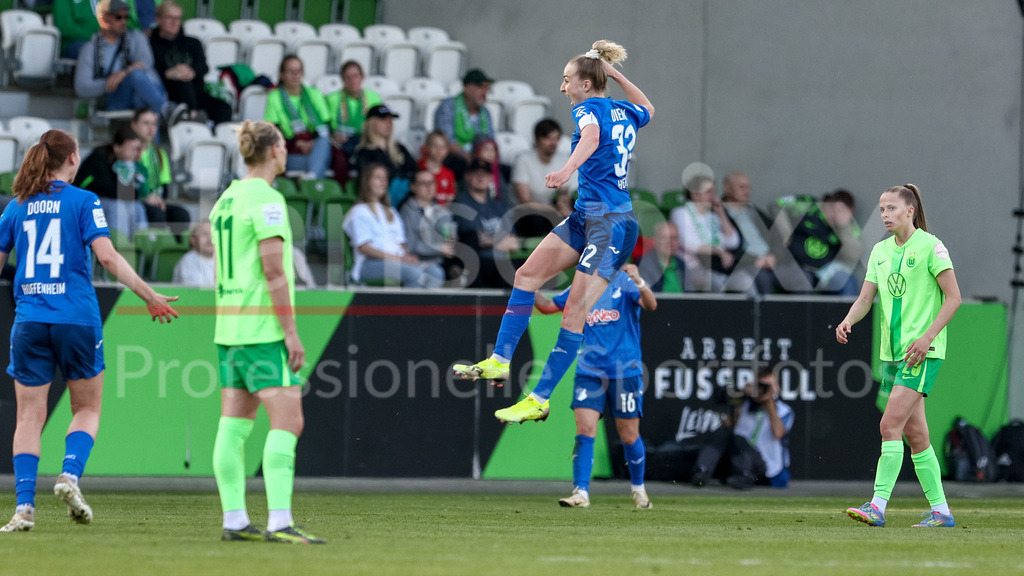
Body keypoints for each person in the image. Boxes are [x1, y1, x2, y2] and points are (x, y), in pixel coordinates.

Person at [452, 40, 653, 424]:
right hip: (586, 217)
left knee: (574, 312)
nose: (563, 88)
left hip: (609, 226)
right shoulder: (621, 108)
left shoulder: (587, 108)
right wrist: (615, 74)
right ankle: (499, 361)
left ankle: (539, 398)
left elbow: (591, 138)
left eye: (567, 80)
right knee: (526, 275)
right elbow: (649, 109)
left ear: (586, 85)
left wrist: (565, 171)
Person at [0, 129, 178, 533]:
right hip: (76, 319)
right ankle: (69, 475)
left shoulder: (16, 207)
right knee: (87, 409)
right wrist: (148, 294)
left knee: (29, 415)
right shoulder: (84, 201)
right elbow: (108, 257)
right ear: (72, 160)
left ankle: (24, 509)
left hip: (29, 320)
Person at [209, 120, 325, 544]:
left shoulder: (226, 199)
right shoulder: (268, 200)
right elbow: (274, 269)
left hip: (229, 327)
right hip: (261, 328)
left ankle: (235, 519)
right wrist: (290, 332)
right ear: (275, 149)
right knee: (288, 421)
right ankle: (279, 521)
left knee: (234, 424)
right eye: (284, 145)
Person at [837, 183, 961, 529]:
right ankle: (941, 511)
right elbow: (865, 299)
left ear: (910, 210)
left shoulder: (931, 247)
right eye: (881, 210)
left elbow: (954, 298)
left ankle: (877, 506)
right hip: (891, 356)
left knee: (888, 424)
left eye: (891, 208)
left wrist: (927, 337)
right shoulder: (879, 251)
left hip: (921, 353)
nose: (885, 215)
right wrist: (848, 320)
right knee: (916, 436)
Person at [533, 265, 656, 509]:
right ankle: (581, 492)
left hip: (624, 370)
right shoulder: (581, 283)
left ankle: (639, 489)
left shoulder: (625, 280)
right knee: (585, 429)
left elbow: (651, 305)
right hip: (589, 370)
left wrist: (640, 281)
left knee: (629, 434)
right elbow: (547, 306)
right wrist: (528, 285)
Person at [342, 163, 445, 288]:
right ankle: (408, 308)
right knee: (414, 273)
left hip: (397, 260)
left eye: (385, 178)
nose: (383, 182)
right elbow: (364, 248)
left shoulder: (391, 211)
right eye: (378, 178)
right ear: (367, 181)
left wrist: (408, 257)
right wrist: (397, 259)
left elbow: (401, 244)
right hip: (370, 263)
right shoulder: (358, 211)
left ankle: (427, 308)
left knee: (435, 272)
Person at [690, 367, 794, 489]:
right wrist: (740, 397)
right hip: (738, 458)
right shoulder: (744, 405)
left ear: (777, 388)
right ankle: (702, 471)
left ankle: (744, 476)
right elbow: (726, 429)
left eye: (768, 386)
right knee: (729, 435)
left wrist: (769, 404)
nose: (764, 390)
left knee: (740, 439)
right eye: (760, 386)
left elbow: (778, 434)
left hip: (765, 466)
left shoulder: (783, 411)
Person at [74, 0, 173, 116]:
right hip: (116, 98)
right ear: (104, 19)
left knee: (142, 98)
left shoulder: (137, 37)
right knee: (137, 78)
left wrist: (122, 74)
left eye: (126, 17)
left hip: (141, 97)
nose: (124, 21)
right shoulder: (90, 49)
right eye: (118, 17)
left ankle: (161, 109)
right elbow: (81, 87)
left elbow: (146, 62)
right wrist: (110, 82)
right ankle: (165, 109)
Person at [719, 171, 808, 295]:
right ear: (727, 188)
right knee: (762, 279)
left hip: (771, 261)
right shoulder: (718, 213)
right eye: (742, 187)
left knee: (801, 278)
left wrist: (774, 256)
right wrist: (754, 260)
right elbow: (726, 247)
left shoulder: (754, 211)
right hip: (746, 264)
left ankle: (800, 315)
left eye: (749, 187)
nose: (747, 191)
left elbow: (776, 237)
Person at [149, 0, 233, 125]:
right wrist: (168, 73)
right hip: (168, 97)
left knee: (224, 108)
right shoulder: (151, 44)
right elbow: (149, 70)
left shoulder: (192, 42)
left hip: (198, 93)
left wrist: (191, 72)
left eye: (178, 18)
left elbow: (203, 67)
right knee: (181, 81)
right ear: (159, 19)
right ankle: (193, 115)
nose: (174, 22)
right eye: (170, 18)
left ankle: (214, 140)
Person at [263, 56, 338, 182]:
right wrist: (297, 143)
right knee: (320, 162)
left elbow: (326, 126)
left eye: (298, 71)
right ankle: (314, 178)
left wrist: (312, 143)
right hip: (291, 151)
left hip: (316, 147)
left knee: (324, 139)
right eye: (290, 71)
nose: (295, 75)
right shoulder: (274, 97)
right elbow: (273, 130)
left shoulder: (314, 94)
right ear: (281, 75)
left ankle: (312, 177)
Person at [450, 159, 520, 289]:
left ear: (491, 178)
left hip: (501, 262)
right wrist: (500, 239)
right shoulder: (461, 202)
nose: (480, 177)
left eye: (485, 174)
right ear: (467, 177)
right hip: (478, 262)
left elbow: (513, 242)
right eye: (476, 173)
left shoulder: (498, 206)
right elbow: (474, 238)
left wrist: (490, 239)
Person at [73, 125, 151, 239]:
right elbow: (111, 190)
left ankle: (143, 248)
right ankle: (119, 248)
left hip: (112, 199)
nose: (134, 153)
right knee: (119, 208)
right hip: (89, 201)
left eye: (137, 149)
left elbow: (134, 193)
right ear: (117, 147)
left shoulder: (129, 164)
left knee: (138, 207)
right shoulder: (99, 157)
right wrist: (127, 166)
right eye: (130, 148)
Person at [784, 189, 862, 295]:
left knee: (848, 282)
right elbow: (777, 205)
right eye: (837, 210)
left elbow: (853, 256)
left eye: (843, 212)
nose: (837, 215)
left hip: (824, 271)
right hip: (797, 265)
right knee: (802, 281)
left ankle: (851, 312)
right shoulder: (809, 206)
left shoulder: (849, 227)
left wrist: (843, 227)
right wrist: (784, 234)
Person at [670, 175, 739, 292]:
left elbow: (733, 242)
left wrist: (721, 214)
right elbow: (689, 243)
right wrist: (719, 252)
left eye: (714, 192)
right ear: (694, 194)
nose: (713, 196)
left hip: (720, 266)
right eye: (708, 192)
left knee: (747, 281)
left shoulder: (713, 217)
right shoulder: (681, 213)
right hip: (692, 267)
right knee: (715, 282)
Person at [510, 118, 576, 238]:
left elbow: (563, 195)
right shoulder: (523, 160)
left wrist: (565, 210)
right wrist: (553, 210)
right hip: (527, 212)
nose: (553, 143)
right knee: (536, 219)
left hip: (551, 209)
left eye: (556, 139)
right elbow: (524, 199)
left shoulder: (563, 160)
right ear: (537, 140)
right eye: (549, 139)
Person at [130, 108, 192, 233]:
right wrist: (145, 197)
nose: (151, 128)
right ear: (134, 125)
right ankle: (154, 250)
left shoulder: (160, 153)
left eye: (154, 124)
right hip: (134, 201)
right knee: (156, 214)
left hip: (155, 200)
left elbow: (165, 189)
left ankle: (175, 251)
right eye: (146, 123)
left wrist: (157, 200)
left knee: (181, 214)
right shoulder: (128, 151)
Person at [433, 68, 495, 177]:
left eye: (487, 88)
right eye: (480, 87)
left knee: (506, 170)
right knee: (461, 165)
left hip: (480, 158)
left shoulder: (485, 112)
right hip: (455, 157)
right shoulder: (449, 106)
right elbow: (446, 141)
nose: (485, 92)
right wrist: (467, 156)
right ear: (466, 88)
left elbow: (491, 140)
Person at [352, 105, 418, 207]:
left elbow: (415, 172)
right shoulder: (365, 152)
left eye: (390, 119)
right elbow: (368, 181)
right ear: (372, 123)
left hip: (407, 200)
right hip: (381, 201)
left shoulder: (400, 148)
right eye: (383, 119)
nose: (389, 123)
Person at [399, 170, 457, 283]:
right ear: (413, 187)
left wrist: (451, 242)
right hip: (417, 260)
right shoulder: (407, 211)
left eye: (431, 183)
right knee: (436, 273)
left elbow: (451, 239)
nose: (429, 187)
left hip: (442, 260)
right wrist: (438, 248)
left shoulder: (441, 211)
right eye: (423, 183)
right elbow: (410, 246)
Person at [325, 61, 382, 157]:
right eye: (348, 77)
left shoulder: (373, 97)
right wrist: (333, 136)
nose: (352, 80)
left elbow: (379, 124)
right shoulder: (332, 99)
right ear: (342, 79)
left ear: (362, 77)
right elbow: (324, 126)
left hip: (365, 142)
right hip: (341, 143)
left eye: (355, 76)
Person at [637, 221, 686, 293]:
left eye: (674, 238)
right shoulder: (644, 265)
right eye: (664, 237)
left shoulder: (682, 265)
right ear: (655, 240)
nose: (669, 242)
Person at [417, 130, 457, 206]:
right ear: (427, 147)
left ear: (447, 150)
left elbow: (450, 200)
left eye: (443, 147)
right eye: (435, 146)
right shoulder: (418, 168)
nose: (439, 150)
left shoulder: (449, 174)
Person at [173, 219, 215, 287]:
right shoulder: (189, 260)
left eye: (213, 234)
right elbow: (197, 292)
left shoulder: (223, 260)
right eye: (204, 234)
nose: (210, 239)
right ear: (192, 239)